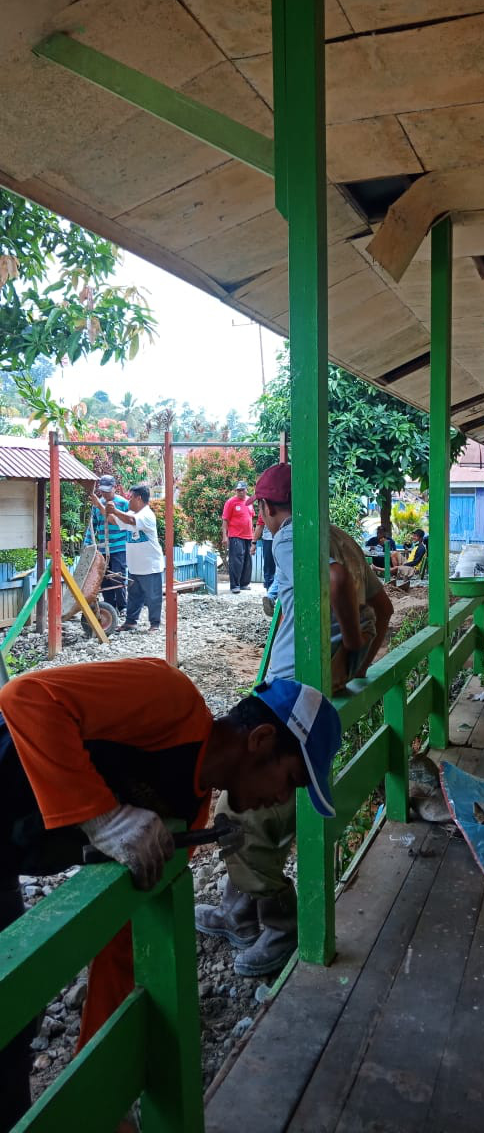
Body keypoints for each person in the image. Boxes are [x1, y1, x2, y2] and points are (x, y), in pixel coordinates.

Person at [0, 657, 341, 1131]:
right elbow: (25, 697)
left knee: (13, 1024)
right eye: (290, 782)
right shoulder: (169, 699)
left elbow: (124, 944)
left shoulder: (188, 814)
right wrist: (103, 816)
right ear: (260, 741)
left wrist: (103, 1093)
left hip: (8, 853)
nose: (282, 801)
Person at [196, 463, 393, 977]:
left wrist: (349, 643)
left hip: (292, 692)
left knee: (242, 809)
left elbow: (334, 581)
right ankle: (239, 909)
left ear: (264, 509)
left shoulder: (289, 537)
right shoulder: (341, 536)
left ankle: (281, 927)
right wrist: (356, 663)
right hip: (316, 688)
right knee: (262, 799)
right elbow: (385, 606)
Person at [106, 484, 165, 632]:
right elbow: (113, 520)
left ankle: (155, 624)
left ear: (139, 498)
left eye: (131, 497)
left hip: (150, 565)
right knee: (134, 596)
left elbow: (131, 520)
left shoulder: (146, 515)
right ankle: (131, 622)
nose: (128, 500)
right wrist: (102, 505)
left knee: (153, 597)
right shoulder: (130, 515)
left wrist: (115, 510)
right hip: (135, 565)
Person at [85, 474, 129, 614]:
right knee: (103, 579)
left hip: (119, 547)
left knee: (117, 576)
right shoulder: (97, 504)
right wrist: (88, 543)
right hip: (103, 548)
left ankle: (123, 606)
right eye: (102, 490)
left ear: (115, 488)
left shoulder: (123, 503)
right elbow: (93, 525)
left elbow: (126, 523)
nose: (104, 493)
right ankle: (110, 607)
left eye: (107, 490)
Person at [222, 480, 254, 594]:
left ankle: (244, 583)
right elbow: (225, 520)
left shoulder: (249, 501)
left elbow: (250, 517)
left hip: (248, 535)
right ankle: (235, 585)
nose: (240, 492)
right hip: (236, 535)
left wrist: (253, 535)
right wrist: (224, 536)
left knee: (247, 560)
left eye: (242, 490)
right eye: (238, 490)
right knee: (236, 560)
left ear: (246, 490)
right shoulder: (231, 502)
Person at [252, 511, 276, 599]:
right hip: (273, 539)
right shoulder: (265, 507)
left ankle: (270, 595)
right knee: (272, 568)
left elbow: (260, 525)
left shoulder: (264, 506)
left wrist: (254, 543)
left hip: (270, 540)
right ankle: (271, 595)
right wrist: (254, 542)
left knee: (269, 568)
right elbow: (260, 525)